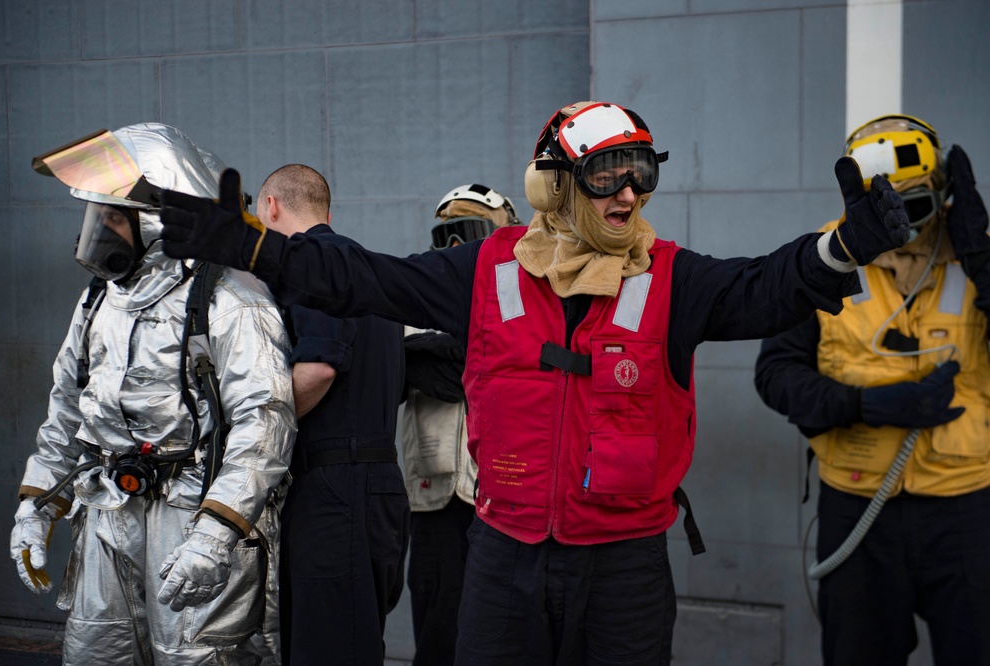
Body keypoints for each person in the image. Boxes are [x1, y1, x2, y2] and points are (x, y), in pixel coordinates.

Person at [158, 101, 911, 665]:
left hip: (625, 567)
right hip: (503, 558)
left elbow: (767, 286)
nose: (627, 195)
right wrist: (259, 249)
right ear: (555, 185)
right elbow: (365, 279)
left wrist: (842, 249)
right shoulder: (487, 272)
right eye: (607, 176)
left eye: (641, 176)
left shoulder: (672, 280)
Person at [9, 123, 296, 664]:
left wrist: (216, 534)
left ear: (156, 222)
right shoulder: (99, 300)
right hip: (107, 510)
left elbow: (266, 421)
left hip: (194, 516)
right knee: (97, 652)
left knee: (196, 656)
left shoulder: (232, 295)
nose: (97, 231)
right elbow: (67, 408)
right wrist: (38, 505)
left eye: (112, 217)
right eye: (96, 217)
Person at [754, 115, 990, 665]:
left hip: (965, 509)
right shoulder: (826, 258)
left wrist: (982, 260)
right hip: (857, 504)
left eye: (917, 207)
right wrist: (864, 406)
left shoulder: (978, 257)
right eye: (888, 211)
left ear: (943, 192)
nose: (903, 228)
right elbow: (775, 374)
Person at [255, 164, 409, 666]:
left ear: (271, 207)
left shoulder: (315, 262)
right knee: (353, 643)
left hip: (334, 491)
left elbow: (318, 369)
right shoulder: (363, 267)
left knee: (326, 650)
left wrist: (259, 436)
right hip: (372, 484)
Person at [402, 183, 520, 665]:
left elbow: (464, 369)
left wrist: (437, 354)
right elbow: (436, 368)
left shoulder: (519, 302)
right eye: (446, 235)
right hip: (433, 498)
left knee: (503, 634)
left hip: (504, 495)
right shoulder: (414, 300)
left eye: (469, 235)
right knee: (437, 634)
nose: (455, 250)